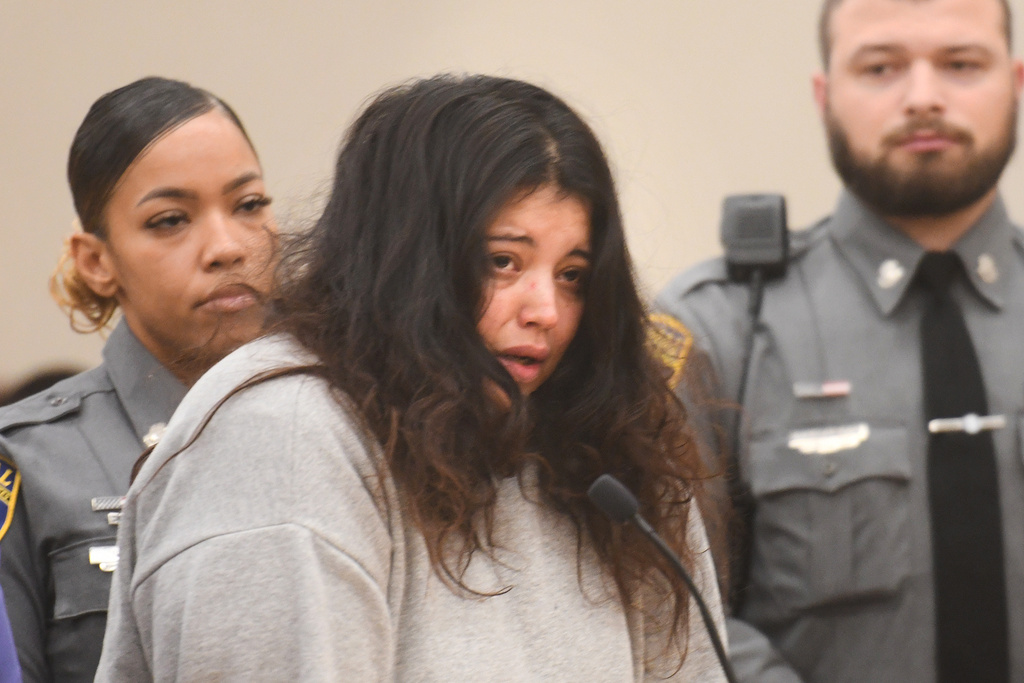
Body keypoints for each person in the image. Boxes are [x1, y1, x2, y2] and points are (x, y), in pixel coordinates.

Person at [96, 74, 728, 682]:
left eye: (573, 275)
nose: (547, 311)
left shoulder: (610, 453)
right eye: (503, 263)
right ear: (407, 261)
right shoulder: (282, 436)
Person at [657, 0, 1024, 681]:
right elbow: (669, 602)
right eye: (881, 66)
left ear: (1017, 82)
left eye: (961, 64)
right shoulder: (721, 329)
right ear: (825, 97)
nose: (923, 98)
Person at [0, 76, 277, 682]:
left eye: (249, 205)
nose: (227, 246)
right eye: (171, 220)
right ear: (96, 262)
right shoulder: (22, 461)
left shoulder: (347, 427)